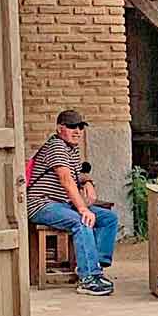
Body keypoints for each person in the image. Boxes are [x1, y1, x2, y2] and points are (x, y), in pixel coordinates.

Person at [24, 111, 121, 297]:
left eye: (80, 127)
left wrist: (88, 182)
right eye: (71, 127)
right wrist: (83, 208)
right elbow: (66, 179)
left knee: (108, 218)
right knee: (82, 220)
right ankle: (88, 278)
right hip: (43, 204)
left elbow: (78, 175)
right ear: (60, 129)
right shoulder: (56, 146)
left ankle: (95, 264)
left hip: (63, 204)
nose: (77, 131)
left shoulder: (71, 149)